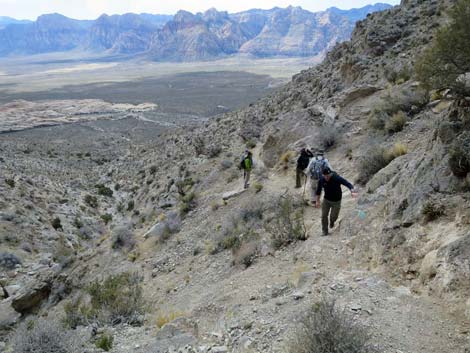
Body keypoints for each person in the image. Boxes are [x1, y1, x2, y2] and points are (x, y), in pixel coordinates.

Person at [315, 167, 357, 236]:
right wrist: (317, 201)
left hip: (336, 201)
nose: (326, 178)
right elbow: (318, 191)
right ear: (323, 175)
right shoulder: (322, 180)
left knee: (333, 216)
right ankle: (325, 231)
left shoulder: (336, 178)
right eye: (325, 176)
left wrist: (352, 191)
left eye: (328, 176)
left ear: (331, 174)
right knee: (323, 216)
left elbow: (347, 183)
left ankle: (332, 221)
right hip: (326, 200)